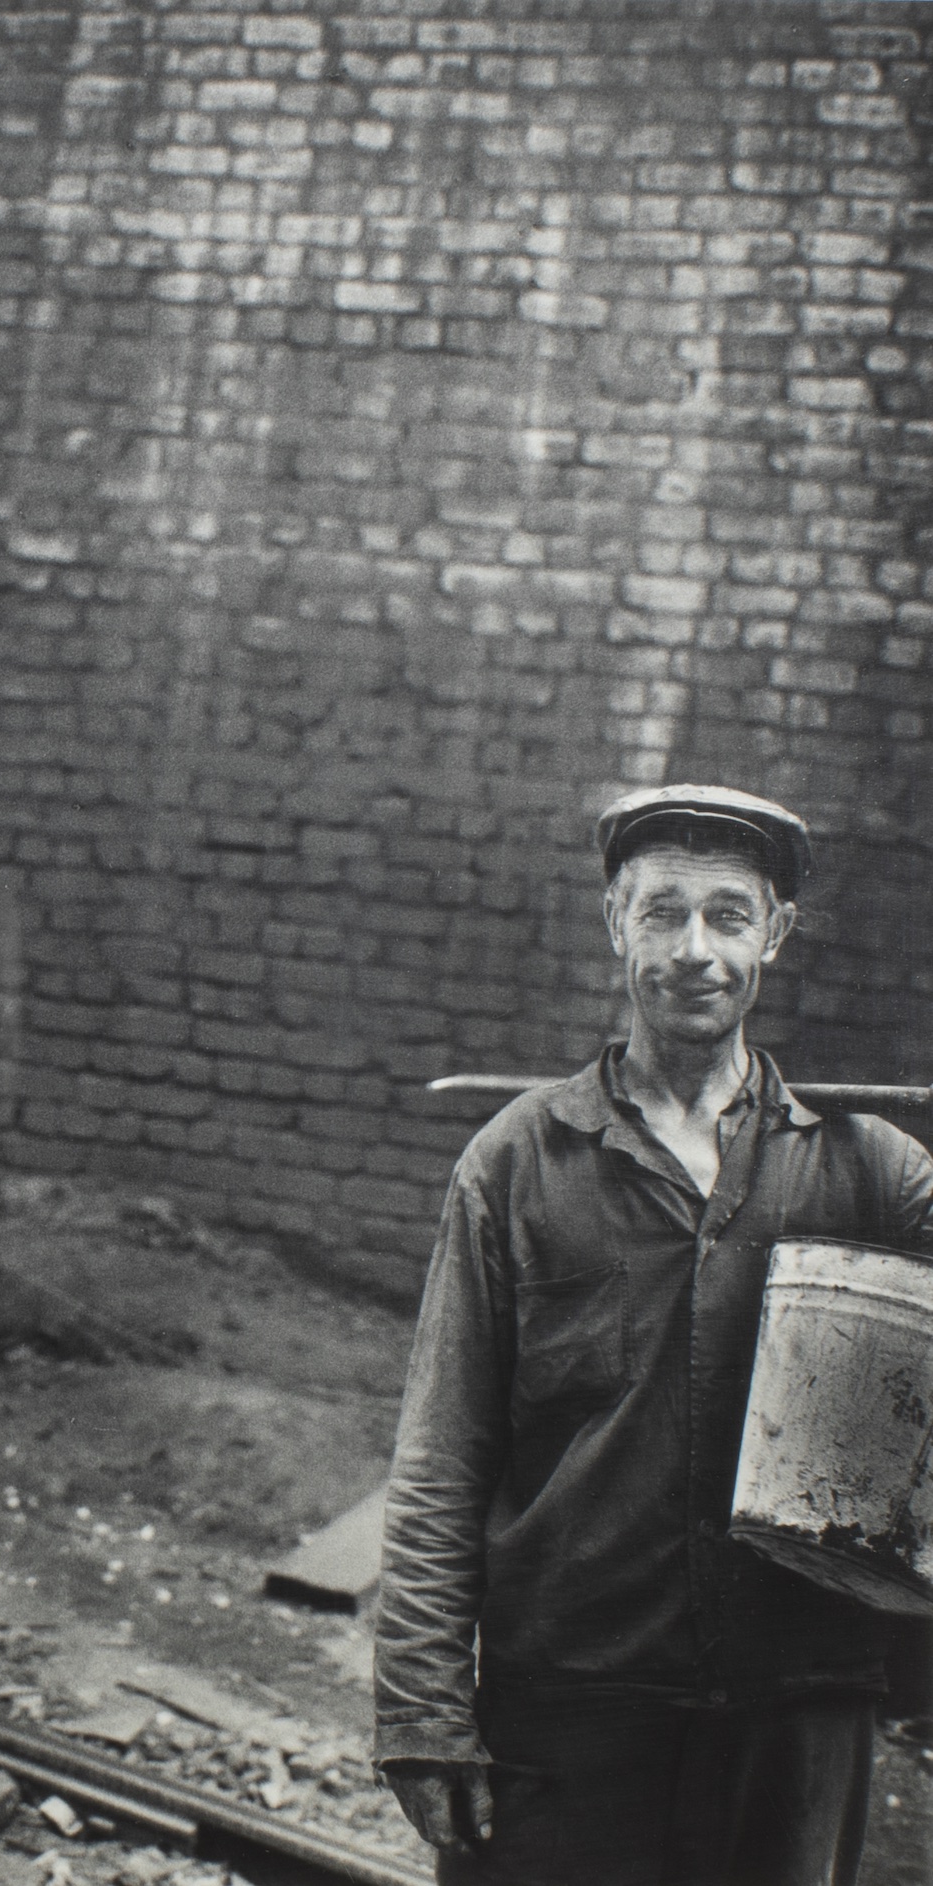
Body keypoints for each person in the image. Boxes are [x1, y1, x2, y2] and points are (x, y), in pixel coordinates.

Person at [373, 784, 933, 1886]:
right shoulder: (518, 1161)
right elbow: (442, 1454)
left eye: (728, 915)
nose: (694, 948)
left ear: (770, 933)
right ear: (612, 922)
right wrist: (422, 1707)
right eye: (660, 911)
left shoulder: (868, 1170)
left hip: (795, 1704)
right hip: (573, 1703)